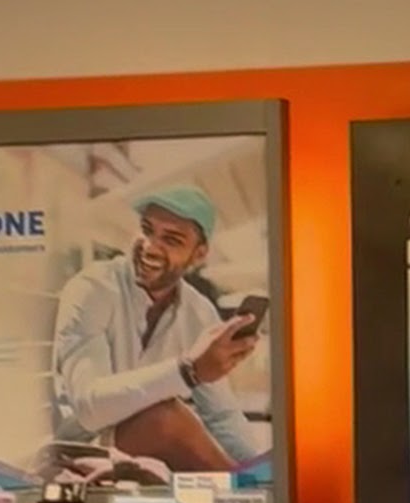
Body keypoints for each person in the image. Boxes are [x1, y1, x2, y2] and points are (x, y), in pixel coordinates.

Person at [49, 186, 265, 474]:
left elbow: (222, 415)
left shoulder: (198, 312)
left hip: (145, 457)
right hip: (80, 448)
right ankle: (239, 490)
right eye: (146, 230)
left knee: (175, 424)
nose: (150, 247)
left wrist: (259, 469)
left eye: (172, 240)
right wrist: (188, 371)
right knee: (164, 417)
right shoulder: (92, 289)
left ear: (199, 255)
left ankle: (249, 486)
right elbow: (89, 408)